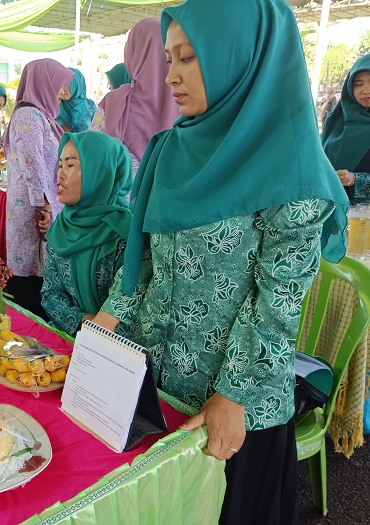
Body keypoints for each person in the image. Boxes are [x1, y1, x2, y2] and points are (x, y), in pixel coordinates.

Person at [92, 1, 349, 524]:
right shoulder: (168, 150)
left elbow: (278, 299)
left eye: (189, 59)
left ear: (239, 58)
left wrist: (234, 393)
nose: (172, 77)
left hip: (234, 406)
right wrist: (109, 318)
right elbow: (141, 258)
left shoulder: (291, 164)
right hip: (156, 383)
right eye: (168, 60)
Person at [41, 131, 132, 336]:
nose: (60, 174)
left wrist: (101, 327)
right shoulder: (62, 227)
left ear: (100, 172)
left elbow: (133, 305)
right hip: (68, 337)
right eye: (60, 165)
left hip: (114, 351)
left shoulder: (125, 233)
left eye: (71, 165)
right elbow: (50, 294)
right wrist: (83, 321)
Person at [3, 59, 74, 317]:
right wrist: (43, 207)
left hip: (37, 205)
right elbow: (33, 165)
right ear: (44, 83)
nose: (62, 93)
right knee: (29, 275)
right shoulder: (28, 115)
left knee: (37, 270)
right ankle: (29, 332)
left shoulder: (40, 115)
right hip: (32, 208)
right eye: (59, 86)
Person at [92, 18, 180, 177]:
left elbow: (91, 154)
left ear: (133, 52)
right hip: (169, 197)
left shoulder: (113, 104)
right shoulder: (191, 106)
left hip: (119, 200)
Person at [321, 55, 370, 204]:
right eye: (357, 84)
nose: (365, 90)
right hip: (327, 209)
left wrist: (356, 179)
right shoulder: (335, 121)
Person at [56, 68, 97, 133]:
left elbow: (97, 131)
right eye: (61, 84)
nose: (62, 89)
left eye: (66, 84)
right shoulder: (55, 104)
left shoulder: (90, 105)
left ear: (76, 84)